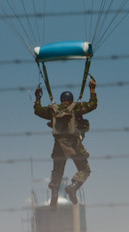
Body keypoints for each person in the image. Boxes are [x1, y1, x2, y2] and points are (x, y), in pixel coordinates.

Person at [34, 78, 97, 207]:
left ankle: (54, 195)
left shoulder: (53, 109)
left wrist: (38, 98)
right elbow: (92, 105)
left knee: (57, 171)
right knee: (84, 169)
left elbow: (38, 111)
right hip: (74, 144)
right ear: (71, 99)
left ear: (62, 100)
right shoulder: (76, 108)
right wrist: (92, 89)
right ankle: (73, 187)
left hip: (59, 145)